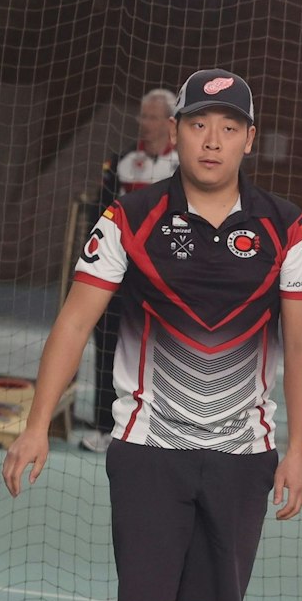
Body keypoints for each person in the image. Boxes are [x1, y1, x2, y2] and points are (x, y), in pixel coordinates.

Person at [1, 68, 302, 601]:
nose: (212, 139)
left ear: (248, 137)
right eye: (198, 124)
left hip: (245, 451)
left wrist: (298, 448)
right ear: (175, 132)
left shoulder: (288, 227)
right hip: (147, 442)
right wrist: (36, 423)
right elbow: (74, 322)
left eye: (228, 126)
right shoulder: (128, 216)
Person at [79, 88, 180, 453]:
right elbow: (99, 216)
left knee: (162, 350)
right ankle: (106, 426)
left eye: (153, 117)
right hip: (119, 275)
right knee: (107, 344)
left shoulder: (185, 168)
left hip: (164, 280)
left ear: (171, 123)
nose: (145, 124)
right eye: (143, 116)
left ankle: (165, 428)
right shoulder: (121, 164)